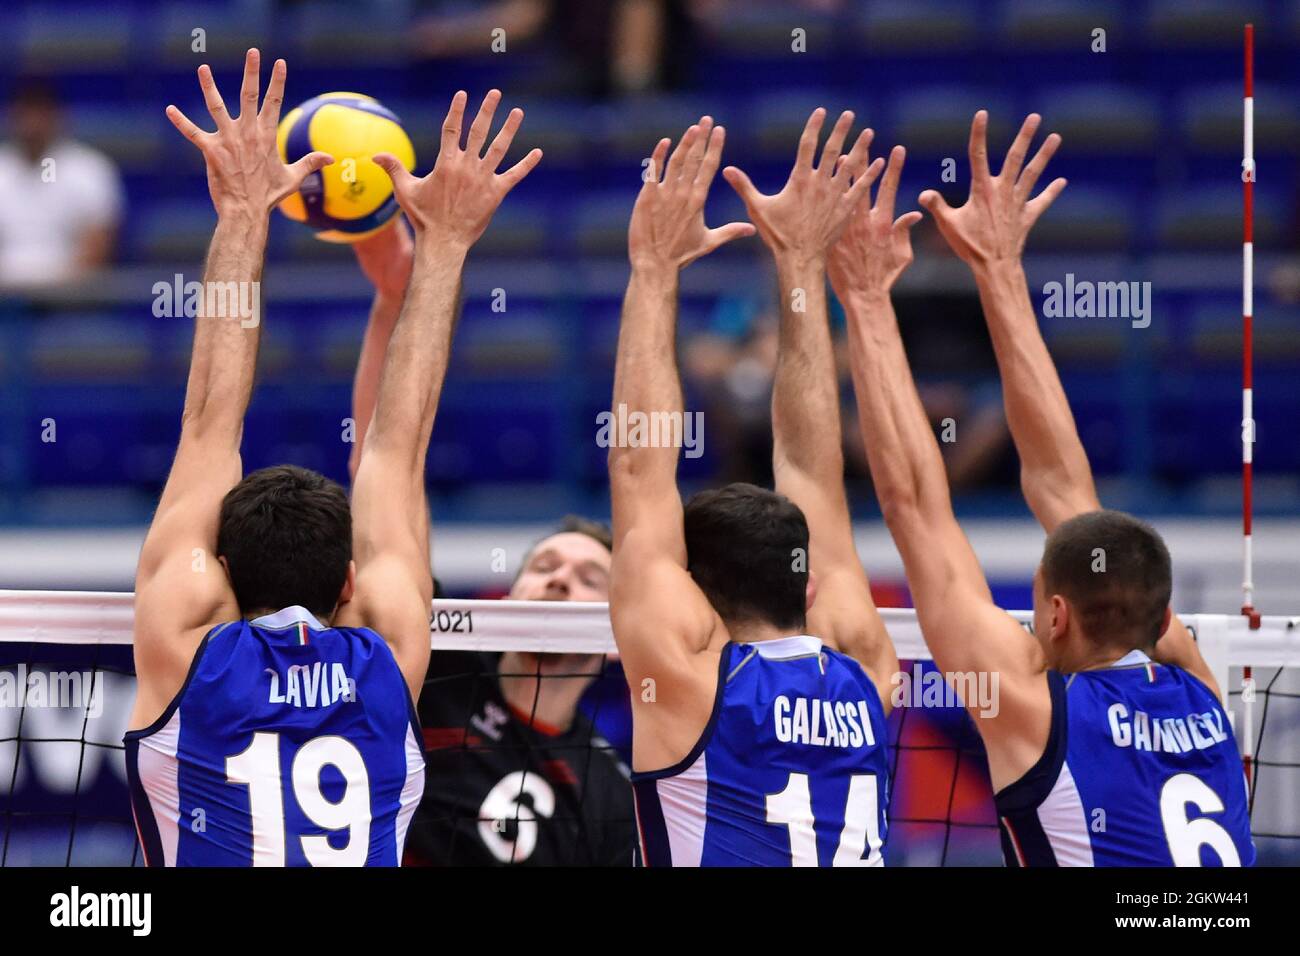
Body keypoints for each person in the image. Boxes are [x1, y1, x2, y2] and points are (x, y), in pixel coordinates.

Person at [124, 52, 539, 866]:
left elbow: (211, 423)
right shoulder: (386, 653)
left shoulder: (187, 644)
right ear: (349, 586)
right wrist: (444, 248)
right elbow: (395, 445)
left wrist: (243, 215)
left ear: (222, 573)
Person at [834, 111, 1254, 866]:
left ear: (1056, 614)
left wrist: (865, 300)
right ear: (1161, 616)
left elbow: (915, 509)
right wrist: (1000, 269)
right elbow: (1067, 497)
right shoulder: (1201, 692)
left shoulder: (1033, 707)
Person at [608, 109, 899, 866]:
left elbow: (640, 470)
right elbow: (812, 472)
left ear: (699, 598)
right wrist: (802, 264)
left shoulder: (688, 680)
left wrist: (653, 269)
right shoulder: (863, 663)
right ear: (805, 590)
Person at [344, 222, 634, 865]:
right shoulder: (434, 668)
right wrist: (395, 299)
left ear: (618, 640)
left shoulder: (609, 791)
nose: (559, 580)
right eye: (545, 567)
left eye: (589, 579)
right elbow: (381, 473)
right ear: (511, 594)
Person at [0, 80, 123, 288]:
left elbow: (99, 245)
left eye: (40, 113)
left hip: (69, 300)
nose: (32, 123)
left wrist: (54, 288)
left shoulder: (89, 169)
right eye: (25, 113)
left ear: (56, 116)